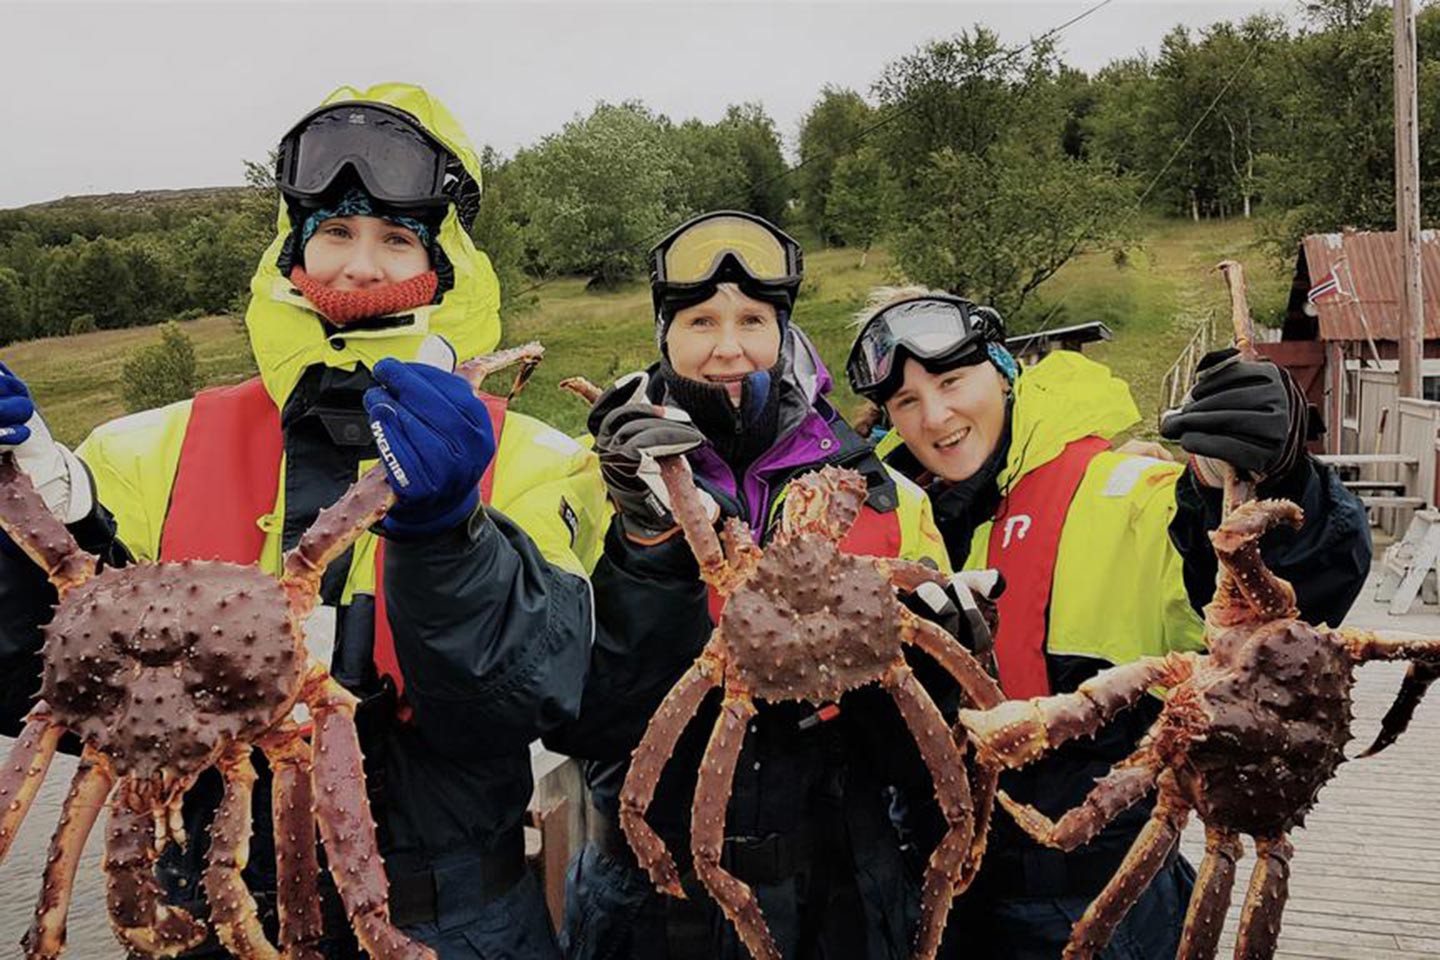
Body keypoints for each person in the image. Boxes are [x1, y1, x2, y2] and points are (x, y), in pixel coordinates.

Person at [0, 83, 607, 959]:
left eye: (397, 239)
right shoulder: (139, 449)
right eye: (333, 233)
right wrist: (24, 514)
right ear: (291, 251)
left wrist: (448, 536)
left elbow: (536, 698)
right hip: (197, 913)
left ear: (450, 265)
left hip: (458, 920)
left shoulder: (534, 457)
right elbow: (36, 687)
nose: (358, 267)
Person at [844, 287, 1372, 959]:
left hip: (1098, 896)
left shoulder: (1121, 490)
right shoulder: (882, 518)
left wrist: (1280, 479)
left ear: (1004, 370)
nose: (936, 415)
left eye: (952, 380)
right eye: (906, 402)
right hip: (929, 896)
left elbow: (1287, 592)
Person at [546, 212, 989, 960]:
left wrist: (958, 649)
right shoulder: (590, 481)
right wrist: (645, 548)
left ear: (784, 332)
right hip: (656, 905)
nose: (727, 346)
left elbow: (932, 744)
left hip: (847, 894)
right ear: (665, 334)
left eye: (752, 319)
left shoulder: (886, 494)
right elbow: (578, 719)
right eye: (699, 320)